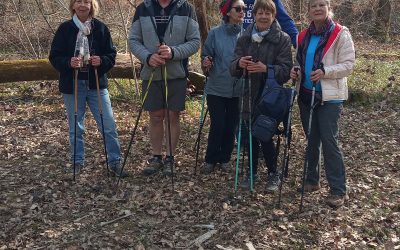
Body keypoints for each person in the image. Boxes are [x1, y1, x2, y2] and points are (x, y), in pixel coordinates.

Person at [49, 0, 128, 177]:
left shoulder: (100, 28)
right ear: (73, 6)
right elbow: (54, 56)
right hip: (73, 84)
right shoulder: (65, 29)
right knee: (76, 127)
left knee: (108, 124)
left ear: (92, 5)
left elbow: (111, 55)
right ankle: (77, 161)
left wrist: (102, 61)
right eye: (79, 1)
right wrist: (68, 62)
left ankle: (114, 162)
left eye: (86, 1)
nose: (83, 5)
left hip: (96, 84)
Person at [290, 0, 355, 207]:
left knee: (329, 141)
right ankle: (312, 180)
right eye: (313, 6)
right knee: (312, 138)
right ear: (308, 11)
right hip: (306, 94)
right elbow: (299, 61)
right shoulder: (303, 36)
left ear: (329, 8)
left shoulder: (340, 33)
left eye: (321, 5)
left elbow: (348, 65)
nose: (317, 9)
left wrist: (326, 72)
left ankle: (338, 190)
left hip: (330, 97)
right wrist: (296, 70)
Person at [129, 0, 200, 176]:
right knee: (155, 115)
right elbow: (133, 40)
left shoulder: (186, 8)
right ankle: (156, 157)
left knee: (172, 115)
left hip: (176, 73)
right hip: (151, 71)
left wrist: (174, 52)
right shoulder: (143, 8)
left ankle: (170, 157)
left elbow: (194, 41)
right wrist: (147, 57)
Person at [231, 0, 292, 192]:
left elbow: (286, 71)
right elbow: (233, 67)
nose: (264, 17)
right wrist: (239, 64)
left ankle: (273, 174)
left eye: (268, 13)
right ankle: (252, 172)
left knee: (265, 133)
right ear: (254, 15)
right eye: (260, 13)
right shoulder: (244, 38)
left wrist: (267, 69)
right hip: (249, 92)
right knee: (250, 135)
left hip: (271, 96)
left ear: (274, 16)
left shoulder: (282, 39)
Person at [201, 0, 245, 174]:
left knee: (231, 125)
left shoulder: (247, 34)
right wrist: (206, 61)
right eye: (238, 9)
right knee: (218, 124)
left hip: (238, 88)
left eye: (243, 8)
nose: (242, 11)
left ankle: (225, 158)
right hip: (216, 87)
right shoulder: (215, 33)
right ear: (228, 12)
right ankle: (211, 159)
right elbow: (206, 54)